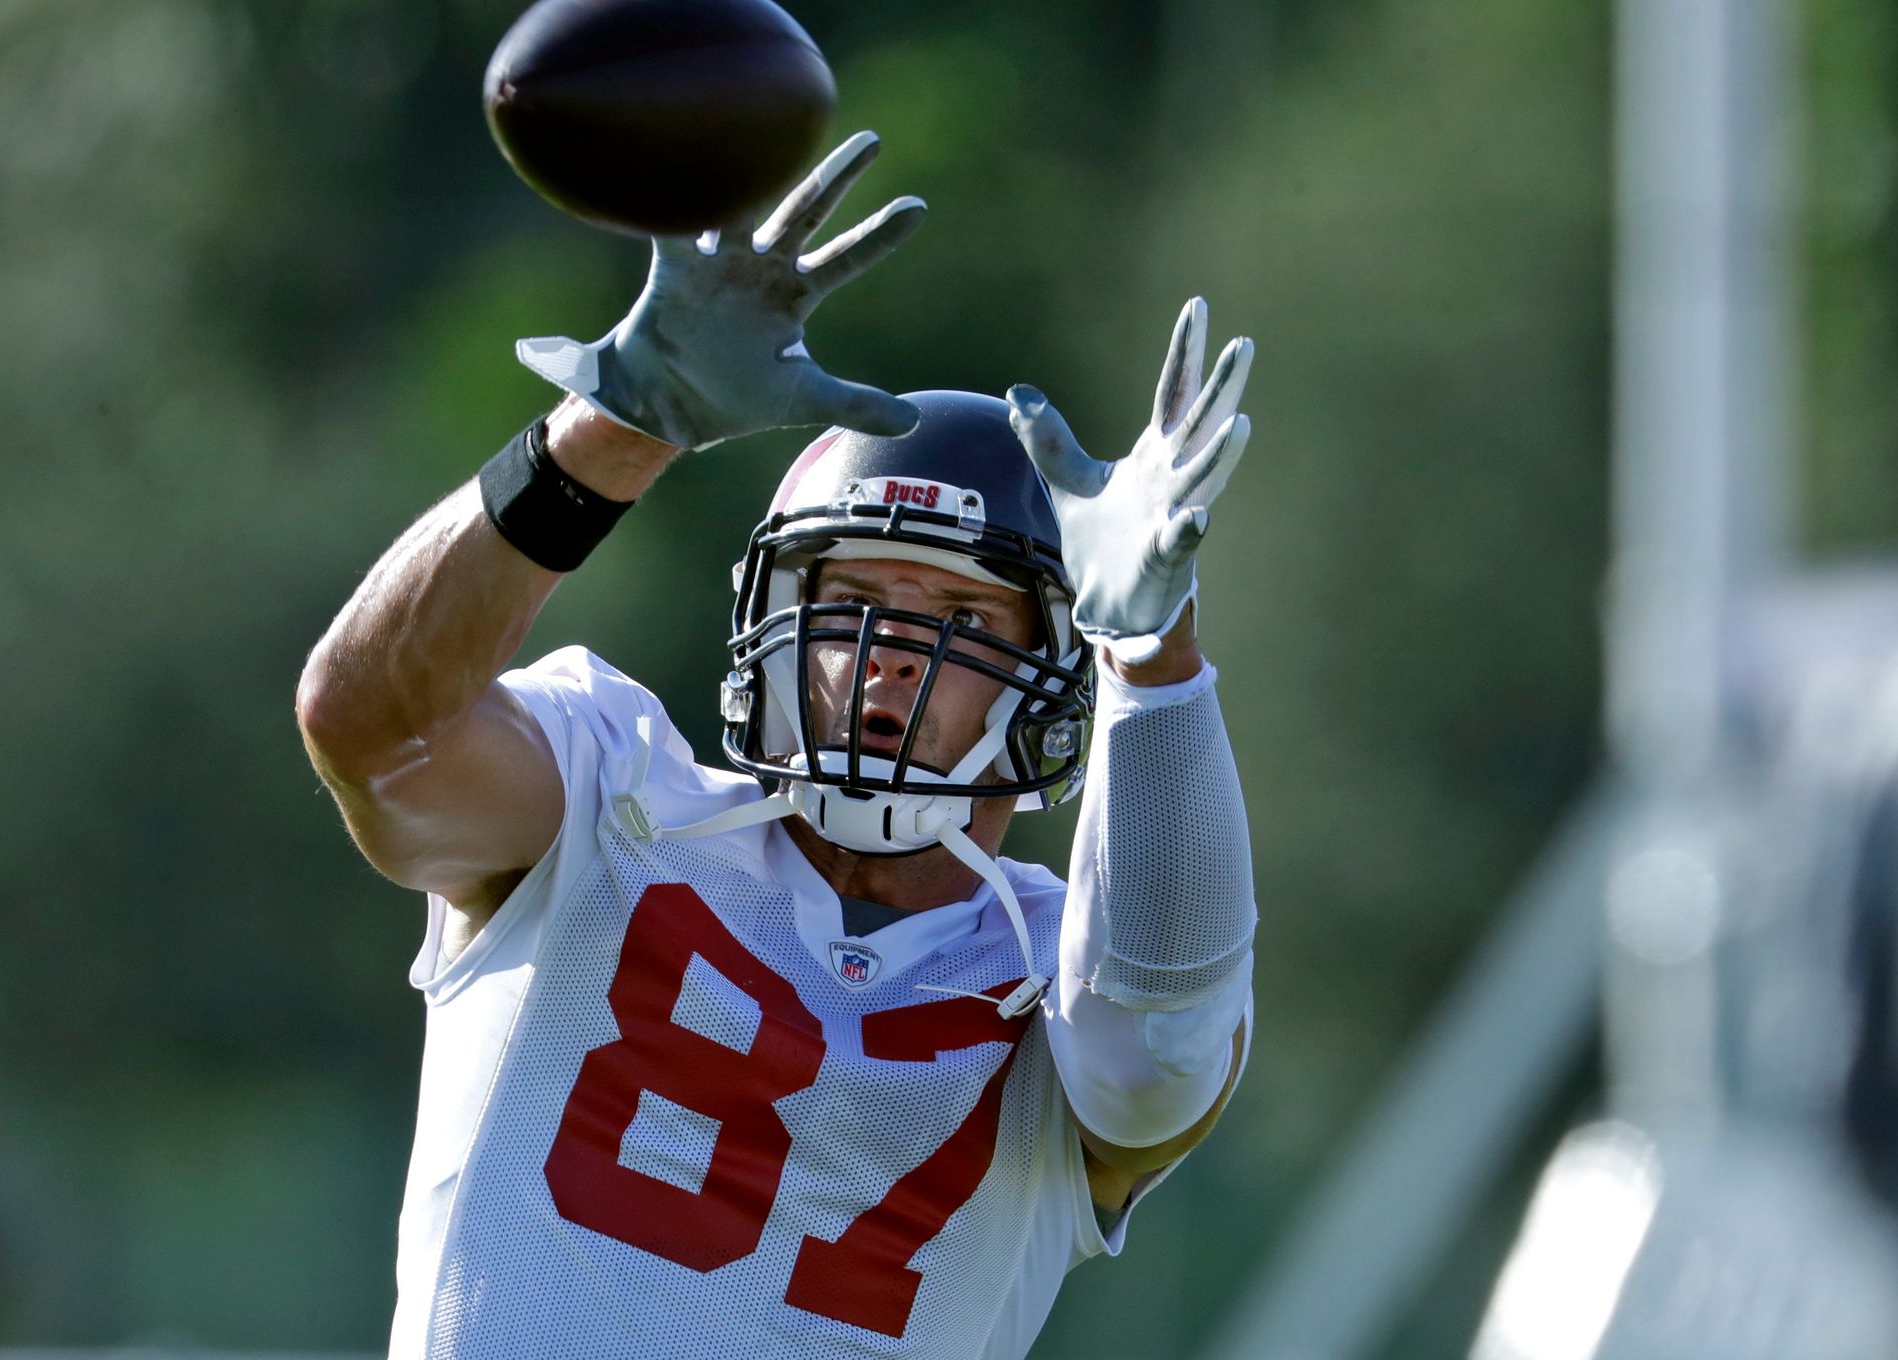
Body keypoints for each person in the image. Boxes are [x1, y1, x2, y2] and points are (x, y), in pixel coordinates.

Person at [297, 132, 1260, 1358]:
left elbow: (1165, 1037)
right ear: (775, 623)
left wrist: (1155, 654)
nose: (890, 654)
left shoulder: (1059, 972)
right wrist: (611, 430)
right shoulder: (610, 794)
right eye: (850, 603)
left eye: (960, 618)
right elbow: (373, 729)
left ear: (1050, 674)